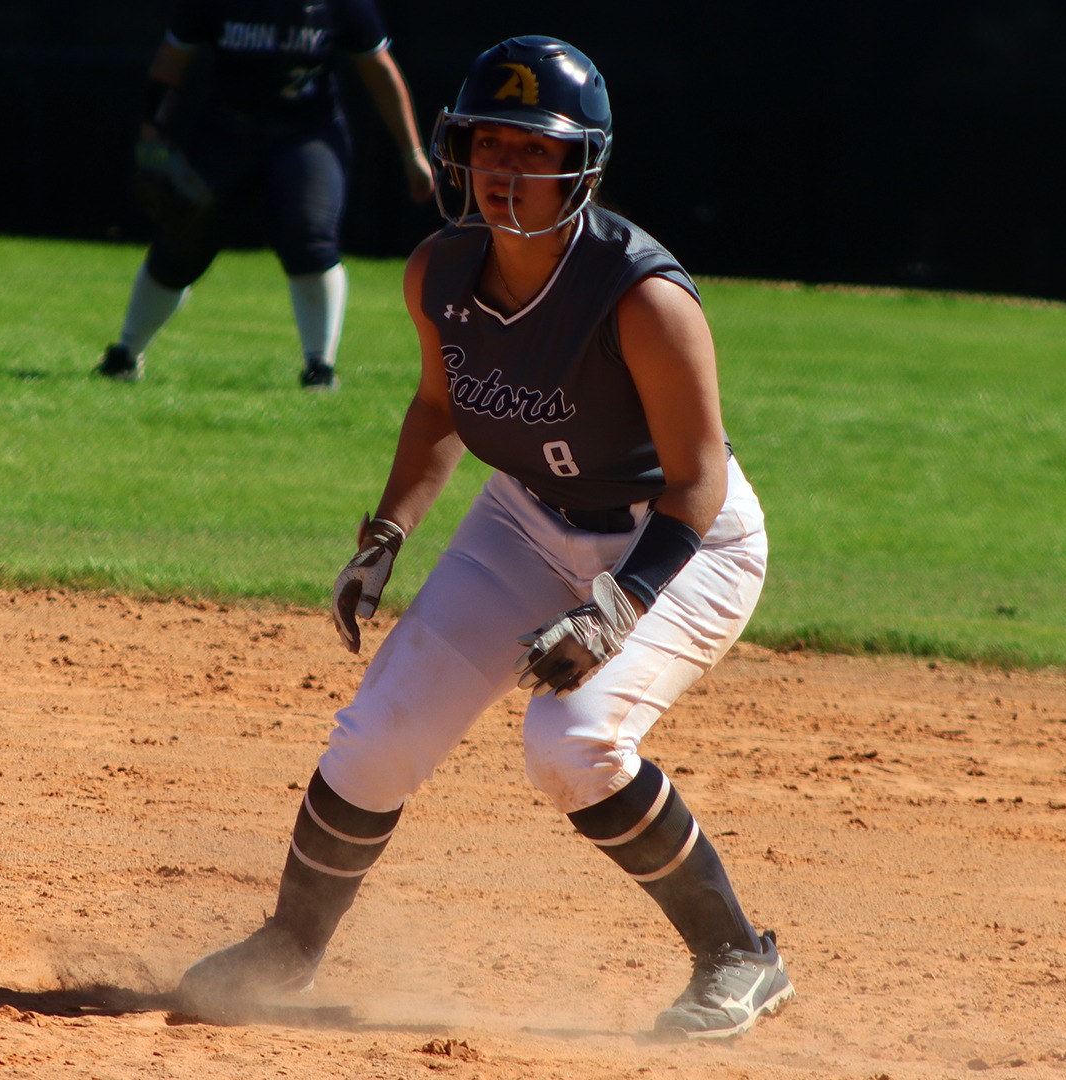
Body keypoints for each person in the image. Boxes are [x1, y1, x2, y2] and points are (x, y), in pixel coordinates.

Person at [176, 36, 795, 1041]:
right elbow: (438, 410)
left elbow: (697, 480)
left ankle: (738, 957)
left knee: (574, 745)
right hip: (523, 518)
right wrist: (385, 535)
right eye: (489, 143)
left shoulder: (642, 297)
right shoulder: (441, 270)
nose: (506, 169)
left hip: (676, 544)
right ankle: (289, 948)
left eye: (533, 149)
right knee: (378, 736)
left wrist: (619, 604)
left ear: (581, 166)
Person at [97, 0, 436, 390]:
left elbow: (379, 70)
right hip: (228, 128)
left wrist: (412, 153)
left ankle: (320, 367)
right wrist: (151, 136)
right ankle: (125, 352)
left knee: (310, 233)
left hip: (306, 131)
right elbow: (172, 59)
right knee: (183, 239)